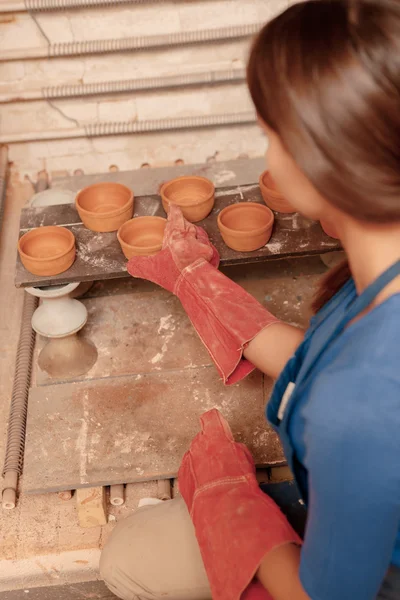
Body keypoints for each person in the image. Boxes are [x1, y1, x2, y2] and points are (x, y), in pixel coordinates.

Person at [100, 1, 400, 598]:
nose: (267, 156)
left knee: (128, 559)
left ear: (324, 161)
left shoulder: (360, 409)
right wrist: (199, 282)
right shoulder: (380, 277)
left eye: (271, 136)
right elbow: (322, 362)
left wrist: (233, 506)